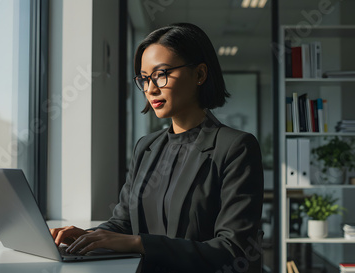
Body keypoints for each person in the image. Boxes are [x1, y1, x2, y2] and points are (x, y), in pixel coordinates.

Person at [50, 22, 264, 273]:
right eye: (144, 78)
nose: (151, 88)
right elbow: (123, 223)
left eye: (161, 74)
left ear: (200, 75)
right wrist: (86, 236)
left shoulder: (236, 147)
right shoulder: (146, 147)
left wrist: (141, 243)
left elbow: (233, 250)